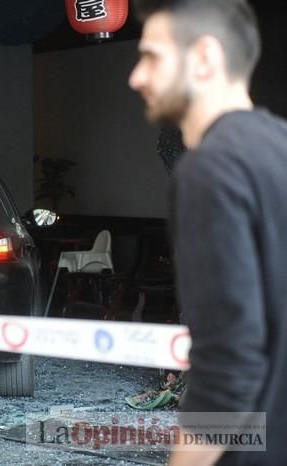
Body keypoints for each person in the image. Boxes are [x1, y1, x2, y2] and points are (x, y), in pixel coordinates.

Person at [129, 0, 287, 465]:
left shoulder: (209, 169)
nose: (136, 77)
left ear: (205, 57)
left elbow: (228, 361)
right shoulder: (280, 145)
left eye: (152, 56)